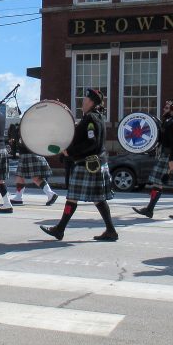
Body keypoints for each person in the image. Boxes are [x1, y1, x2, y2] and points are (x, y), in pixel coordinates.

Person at [40, 88, 117, 241]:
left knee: (73, 198)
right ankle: (110, 230)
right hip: (96, 163)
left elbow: (91, 142)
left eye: (85, 100)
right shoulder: (97, 117)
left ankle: (60, 229)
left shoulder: (90, 119)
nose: (82, 102)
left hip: (87, 164)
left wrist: (71, 153)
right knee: (98, 199)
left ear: (91, 102)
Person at [134, 99, 173, 220]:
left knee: (167, 184)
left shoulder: (172, 123)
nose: (164, 109)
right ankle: (152, 209)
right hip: (171, 155)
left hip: (171, 155)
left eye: (167, 108)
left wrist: (171, 160)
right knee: (164, 184)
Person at [8, 126, 59, 207]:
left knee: (35, 178)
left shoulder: (29, 127)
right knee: (20, 177)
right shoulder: (21, 128)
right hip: (28, 154)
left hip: (30, 154)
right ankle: (18, 197)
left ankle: (50, 194)